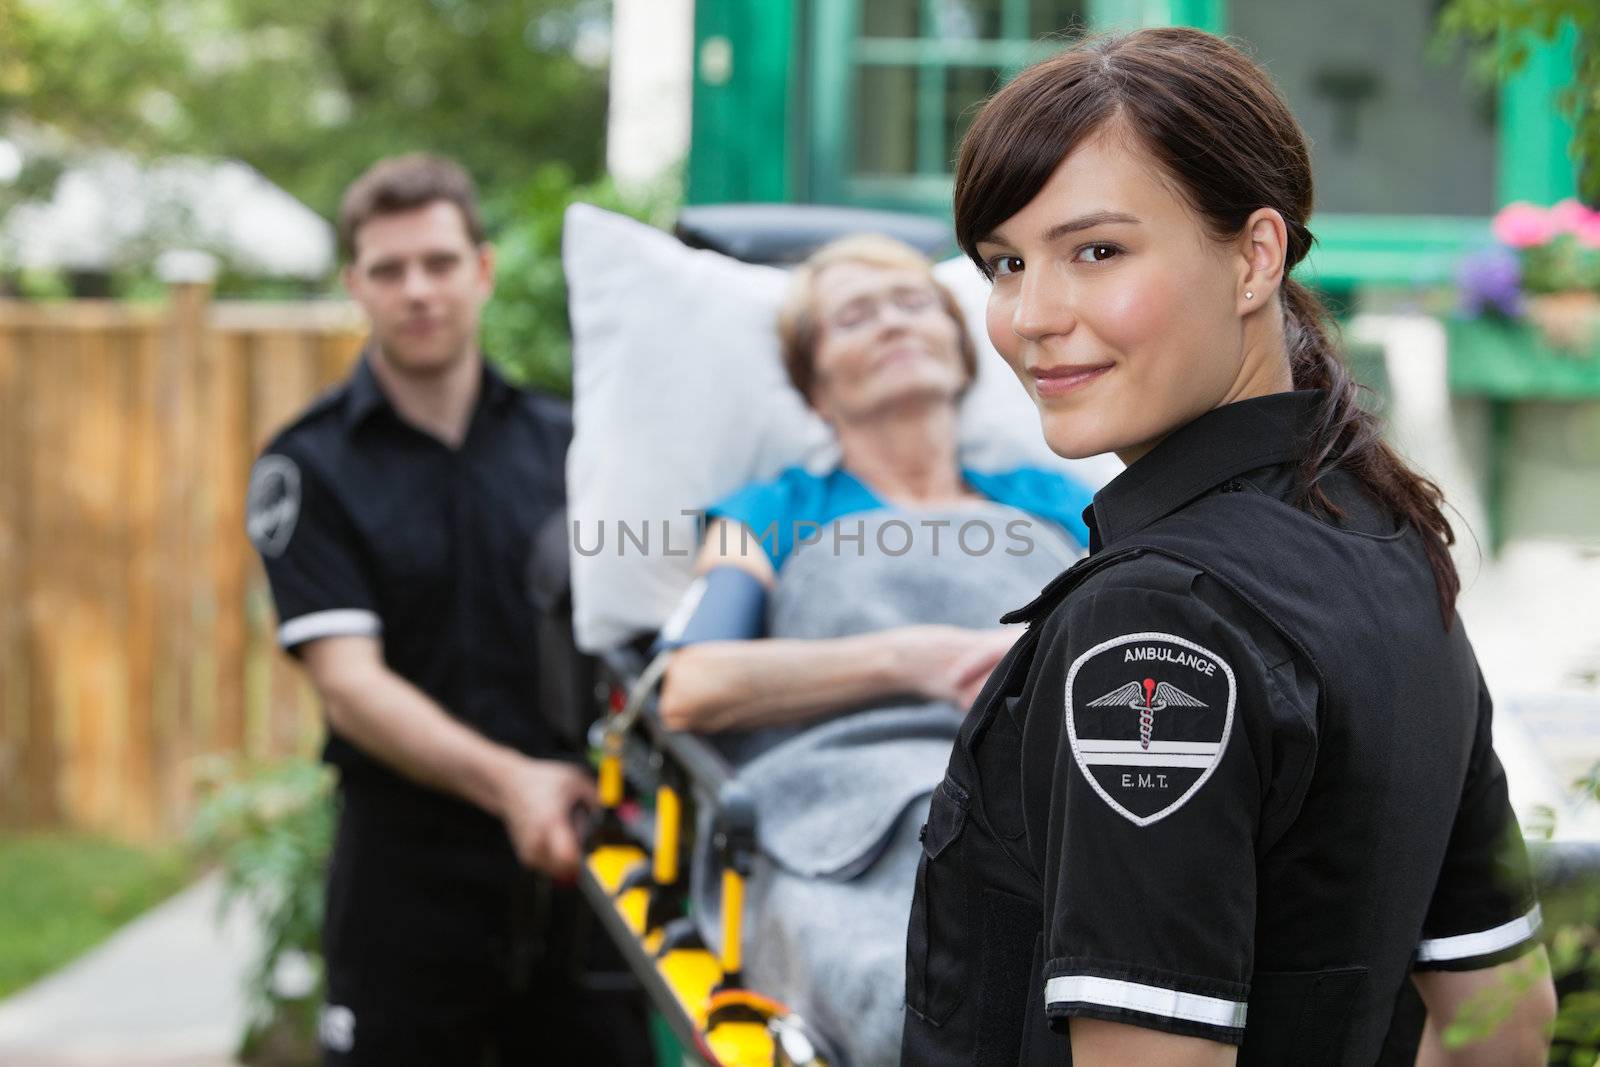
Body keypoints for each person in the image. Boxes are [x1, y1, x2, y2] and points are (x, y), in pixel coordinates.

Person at [899, 28, 1557, 1067]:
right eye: (1005, 263)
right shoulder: (1391, 540)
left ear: (1253, 256)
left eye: (1097, 251)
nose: (1031, 315)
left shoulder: (1154, 622)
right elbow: (1503, 1025)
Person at [245, 154, 652, 1067]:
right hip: (406, 884)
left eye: (438, 262)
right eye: (389, 270)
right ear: (356, 285)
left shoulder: (574, 445)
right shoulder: (307, 468)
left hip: (577, 869)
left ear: (482, 269)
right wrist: (512, 781)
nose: (417, 290)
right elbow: (349, 687)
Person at [654, 234, 1095, 1067]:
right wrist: (917, 660)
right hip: (852, 828)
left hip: (1050, 810)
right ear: (816, 384)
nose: (892, 324)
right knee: (925, 1010)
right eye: (855, 315)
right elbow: (693, 682)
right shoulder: (770, 512)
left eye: (912, 304)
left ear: (962, 351)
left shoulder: (1065, 506)